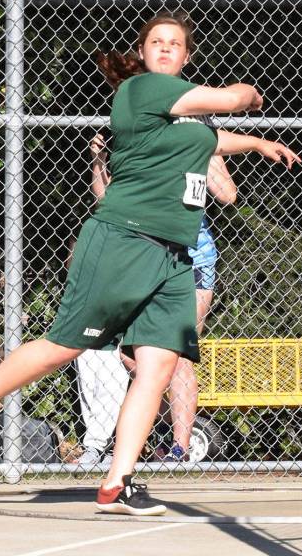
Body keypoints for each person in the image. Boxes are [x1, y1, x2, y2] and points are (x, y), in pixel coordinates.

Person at [0, 12, 301, 515]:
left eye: (175, 44)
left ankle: (118, 481)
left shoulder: (184, 113)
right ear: (143, 51)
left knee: (157, 366)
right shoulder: (143, 91)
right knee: (64, 346)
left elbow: (210, 139)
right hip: (123, 240)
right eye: (156, 42)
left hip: (174, 258)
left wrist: (258, 142)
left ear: (186, 55)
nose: (165, 49)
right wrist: (251, 95)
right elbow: (230, 99)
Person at [76, 129, 236, 469]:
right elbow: (107, 200)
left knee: (176, 356)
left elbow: (227, 194)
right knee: (132, 356)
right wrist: (99, 159)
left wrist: (199, 150)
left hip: (193, 258)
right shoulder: (139, 136)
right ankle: (166, 424)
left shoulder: (198, 136)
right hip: (146, 259)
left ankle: (180, 448)